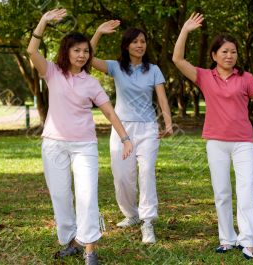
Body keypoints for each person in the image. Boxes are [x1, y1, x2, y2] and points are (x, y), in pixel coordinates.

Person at [27, 9, 133, 265]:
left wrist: (125, 138)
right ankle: (68, 242)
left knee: (87, 196)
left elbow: (108, 111)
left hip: (84, 146)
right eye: (77, 50)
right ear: (67, 52)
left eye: (86, 51)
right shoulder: (52, 72)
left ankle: (90, 250)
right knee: (61, 195)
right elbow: (31, 51)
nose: (82, 54)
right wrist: (43, 21)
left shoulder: (91, 83)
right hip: (54, 145)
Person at [172, 13, 253, 260]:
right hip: (216, 143)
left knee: (245, 191)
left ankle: (248, 242)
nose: (229, 56)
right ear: (214, 55)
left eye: (233, 51)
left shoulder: (246, 78)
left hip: (243, 143)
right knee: (221, 192)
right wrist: (186, 30)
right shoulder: (204, 77)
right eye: (224, 51)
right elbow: (177, 59)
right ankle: (227, 239)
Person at [90, 21, 173, 244]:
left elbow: (162, 99)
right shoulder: (115, 67)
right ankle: (132, 215)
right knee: (122, 177)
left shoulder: (153, 69)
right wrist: (98, 32)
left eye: (143, 41)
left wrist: (168, 122)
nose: (140, 45)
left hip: (147, 129)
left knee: (146, 174)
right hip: (121, 128)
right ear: (126, 45)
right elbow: (86, 58)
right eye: (135, 41)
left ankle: (147, 222)